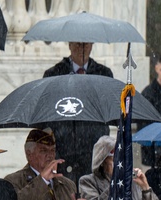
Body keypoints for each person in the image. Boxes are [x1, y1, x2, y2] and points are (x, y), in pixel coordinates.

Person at [43, 42, 113, 182]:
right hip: (65, 148)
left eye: (86, 43)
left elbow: (107, 109)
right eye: (78, 43)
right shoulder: (54, 74)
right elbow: (47, 113)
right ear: (69, 44)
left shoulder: (104, 74)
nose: (82, 47)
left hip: (94, 147)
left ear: (92, 45)